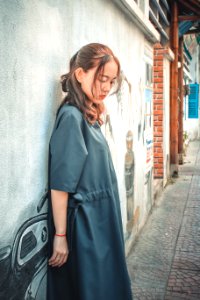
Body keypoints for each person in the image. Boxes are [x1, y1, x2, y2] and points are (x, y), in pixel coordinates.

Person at [47, 43, 133, 300]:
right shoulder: (72, 117)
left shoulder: (88, 115)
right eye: (101, 78)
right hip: (86, 227)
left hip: (102, 220)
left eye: (111, 80)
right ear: (80, 74)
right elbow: (60, 184)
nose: (106, 87)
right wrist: (60, 236)